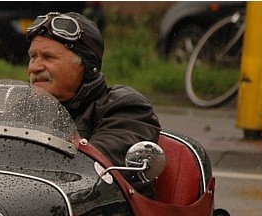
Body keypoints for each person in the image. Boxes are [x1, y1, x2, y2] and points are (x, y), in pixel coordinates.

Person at [25, 12, 162, 174]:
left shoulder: (126, 109)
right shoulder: (26, 108)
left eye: (48, 57)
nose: (34, 68)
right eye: (33, 57)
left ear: (86, 67)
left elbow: (90, 171)